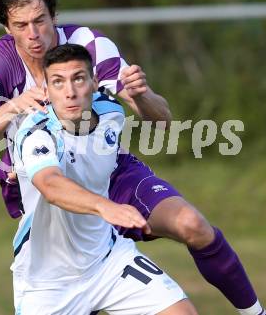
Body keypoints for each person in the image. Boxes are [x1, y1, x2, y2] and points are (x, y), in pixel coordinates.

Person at [0, 0, 266, 315]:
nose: (34, 34)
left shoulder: (89, 46)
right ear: (6, 27)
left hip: (108, 172)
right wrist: (13, 106)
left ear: (54, 14)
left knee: (192, 225)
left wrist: (140, 96)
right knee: (65, 253)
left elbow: (161, 119)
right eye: (21, 25)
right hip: (46, 182)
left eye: (40, 20)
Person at [12, 43, 198, 315]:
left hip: (108, 258)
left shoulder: (111, 112)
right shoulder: (36, 133)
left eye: (78, 78)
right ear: (47, 91)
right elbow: (50, 184)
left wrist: (142, 96)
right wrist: (105, 206)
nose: (70, 92)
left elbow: (162, 121)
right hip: (47, 281)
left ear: (95, 82)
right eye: (58, 82)